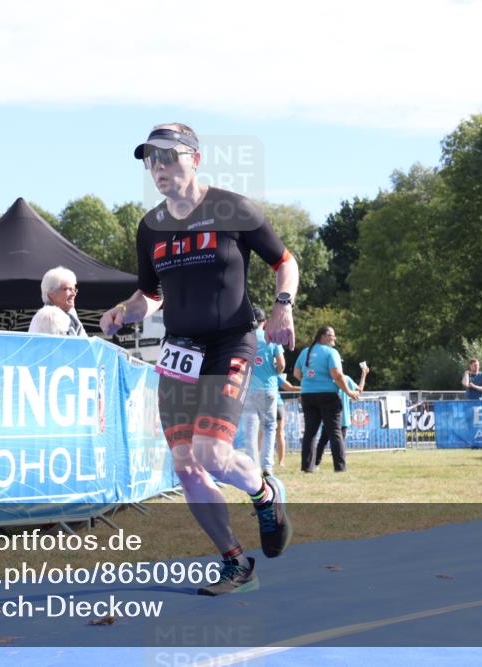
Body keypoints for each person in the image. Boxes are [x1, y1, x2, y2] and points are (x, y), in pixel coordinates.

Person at [99, 123, 299, 596]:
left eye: (168, 157)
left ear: (195, 158)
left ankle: (264, 492)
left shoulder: (232, 208)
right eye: (151, 160)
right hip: (180, 350)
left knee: (211, 453)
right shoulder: (150, 227)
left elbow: (284, 261)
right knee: (186, 465)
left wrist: (282, 306)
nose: (159, 168)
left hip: (230, 342)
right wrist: (123, 311)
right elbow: (150, 295)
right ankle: (234, 562)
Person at [294, 326, 359, 473]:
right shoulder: (331, 352)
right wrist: (349, 391)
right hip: (328, 396)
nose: (334, 338)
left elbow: (297, 373)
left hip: (308, 395)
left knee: (310, 432)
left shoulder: (305, 352)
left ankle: (307, 467)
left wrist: (311, 381)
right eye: (331, 335)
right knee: (335, 432)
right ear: (322, 337)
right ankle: (340, 467)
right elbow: (337, 375)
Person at [236, 307, 285, 476]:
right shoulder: (271, 339)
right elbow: (282, 364)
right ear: (265, 322)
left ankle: (252, 465)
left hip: (248, 389)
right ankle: (267, 466)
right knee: (270, 426)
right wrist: (275, 371)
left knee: (250, 428)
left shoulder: (244, 338)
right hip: (269, 388)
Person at [316, 361, 368, 468]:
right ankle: (339, 465)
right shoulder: (346, 379)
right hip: (342, 418)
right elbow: (359, 390)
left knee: (323, 441)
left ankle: (315, 463)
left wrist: (364, 374)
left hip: (329, 417)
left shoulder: (326, 380)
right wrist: (364, 374)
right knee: (339, 443)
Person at [29, 266, 87, 336]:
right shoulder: (47, 317)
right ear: (51, 294)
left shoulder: (72, 314)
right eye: (68, 289)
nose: (73, 294)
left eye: (74, 289)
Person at [274, 373, 299, 468]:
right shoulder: (274, 373)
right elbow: (290, 388)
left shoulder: (275, 374)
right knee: (277, 434)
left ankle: (280, 462)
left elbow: (290, 387)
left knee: (278, 433)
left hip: (274, 404)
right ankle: (279, 462)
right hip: (272, 404)